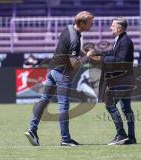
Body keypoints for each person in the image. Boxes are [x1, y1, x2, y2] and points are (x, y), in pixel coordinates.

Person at [25, 11, 94, 147]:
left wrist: (83, 53)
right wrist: (87, 57)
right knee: (63, 106)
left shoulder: (68, 28)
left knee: (44, 100)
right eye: (90, 22)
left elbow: (69, 47)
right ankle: (65, 139)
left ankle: (32, 130)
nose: (92, 25)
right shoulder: (75, 38)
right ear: (81, 23)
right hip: (62, 73)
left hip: (52, 70)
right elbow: (73, 65)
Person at [90, 17, 136, 145]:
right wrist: (97, 54)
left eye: (112, 26)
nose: (110, 28)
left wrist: (102, 60)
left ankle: (121, 134)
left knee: (110, 105)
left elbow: (120, 61)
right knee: (127, 109)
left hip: (122, 80)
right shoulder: (120, 40)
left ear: (119, 28)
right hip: (124, 80)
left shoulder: (125, 41)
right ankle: (131, 138)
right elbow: (111, 55)